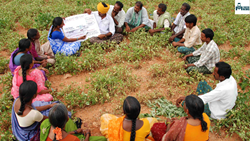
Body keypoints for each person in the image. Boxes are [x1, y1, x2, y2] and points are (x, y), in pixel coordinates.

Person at [40, 103, 107, 141]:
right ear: (67, 119)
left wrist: (75, 131)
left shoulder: (45, 124)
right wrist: (87, 134)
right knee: (103, 139)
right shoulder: (73, 139)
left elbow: (58, 135)